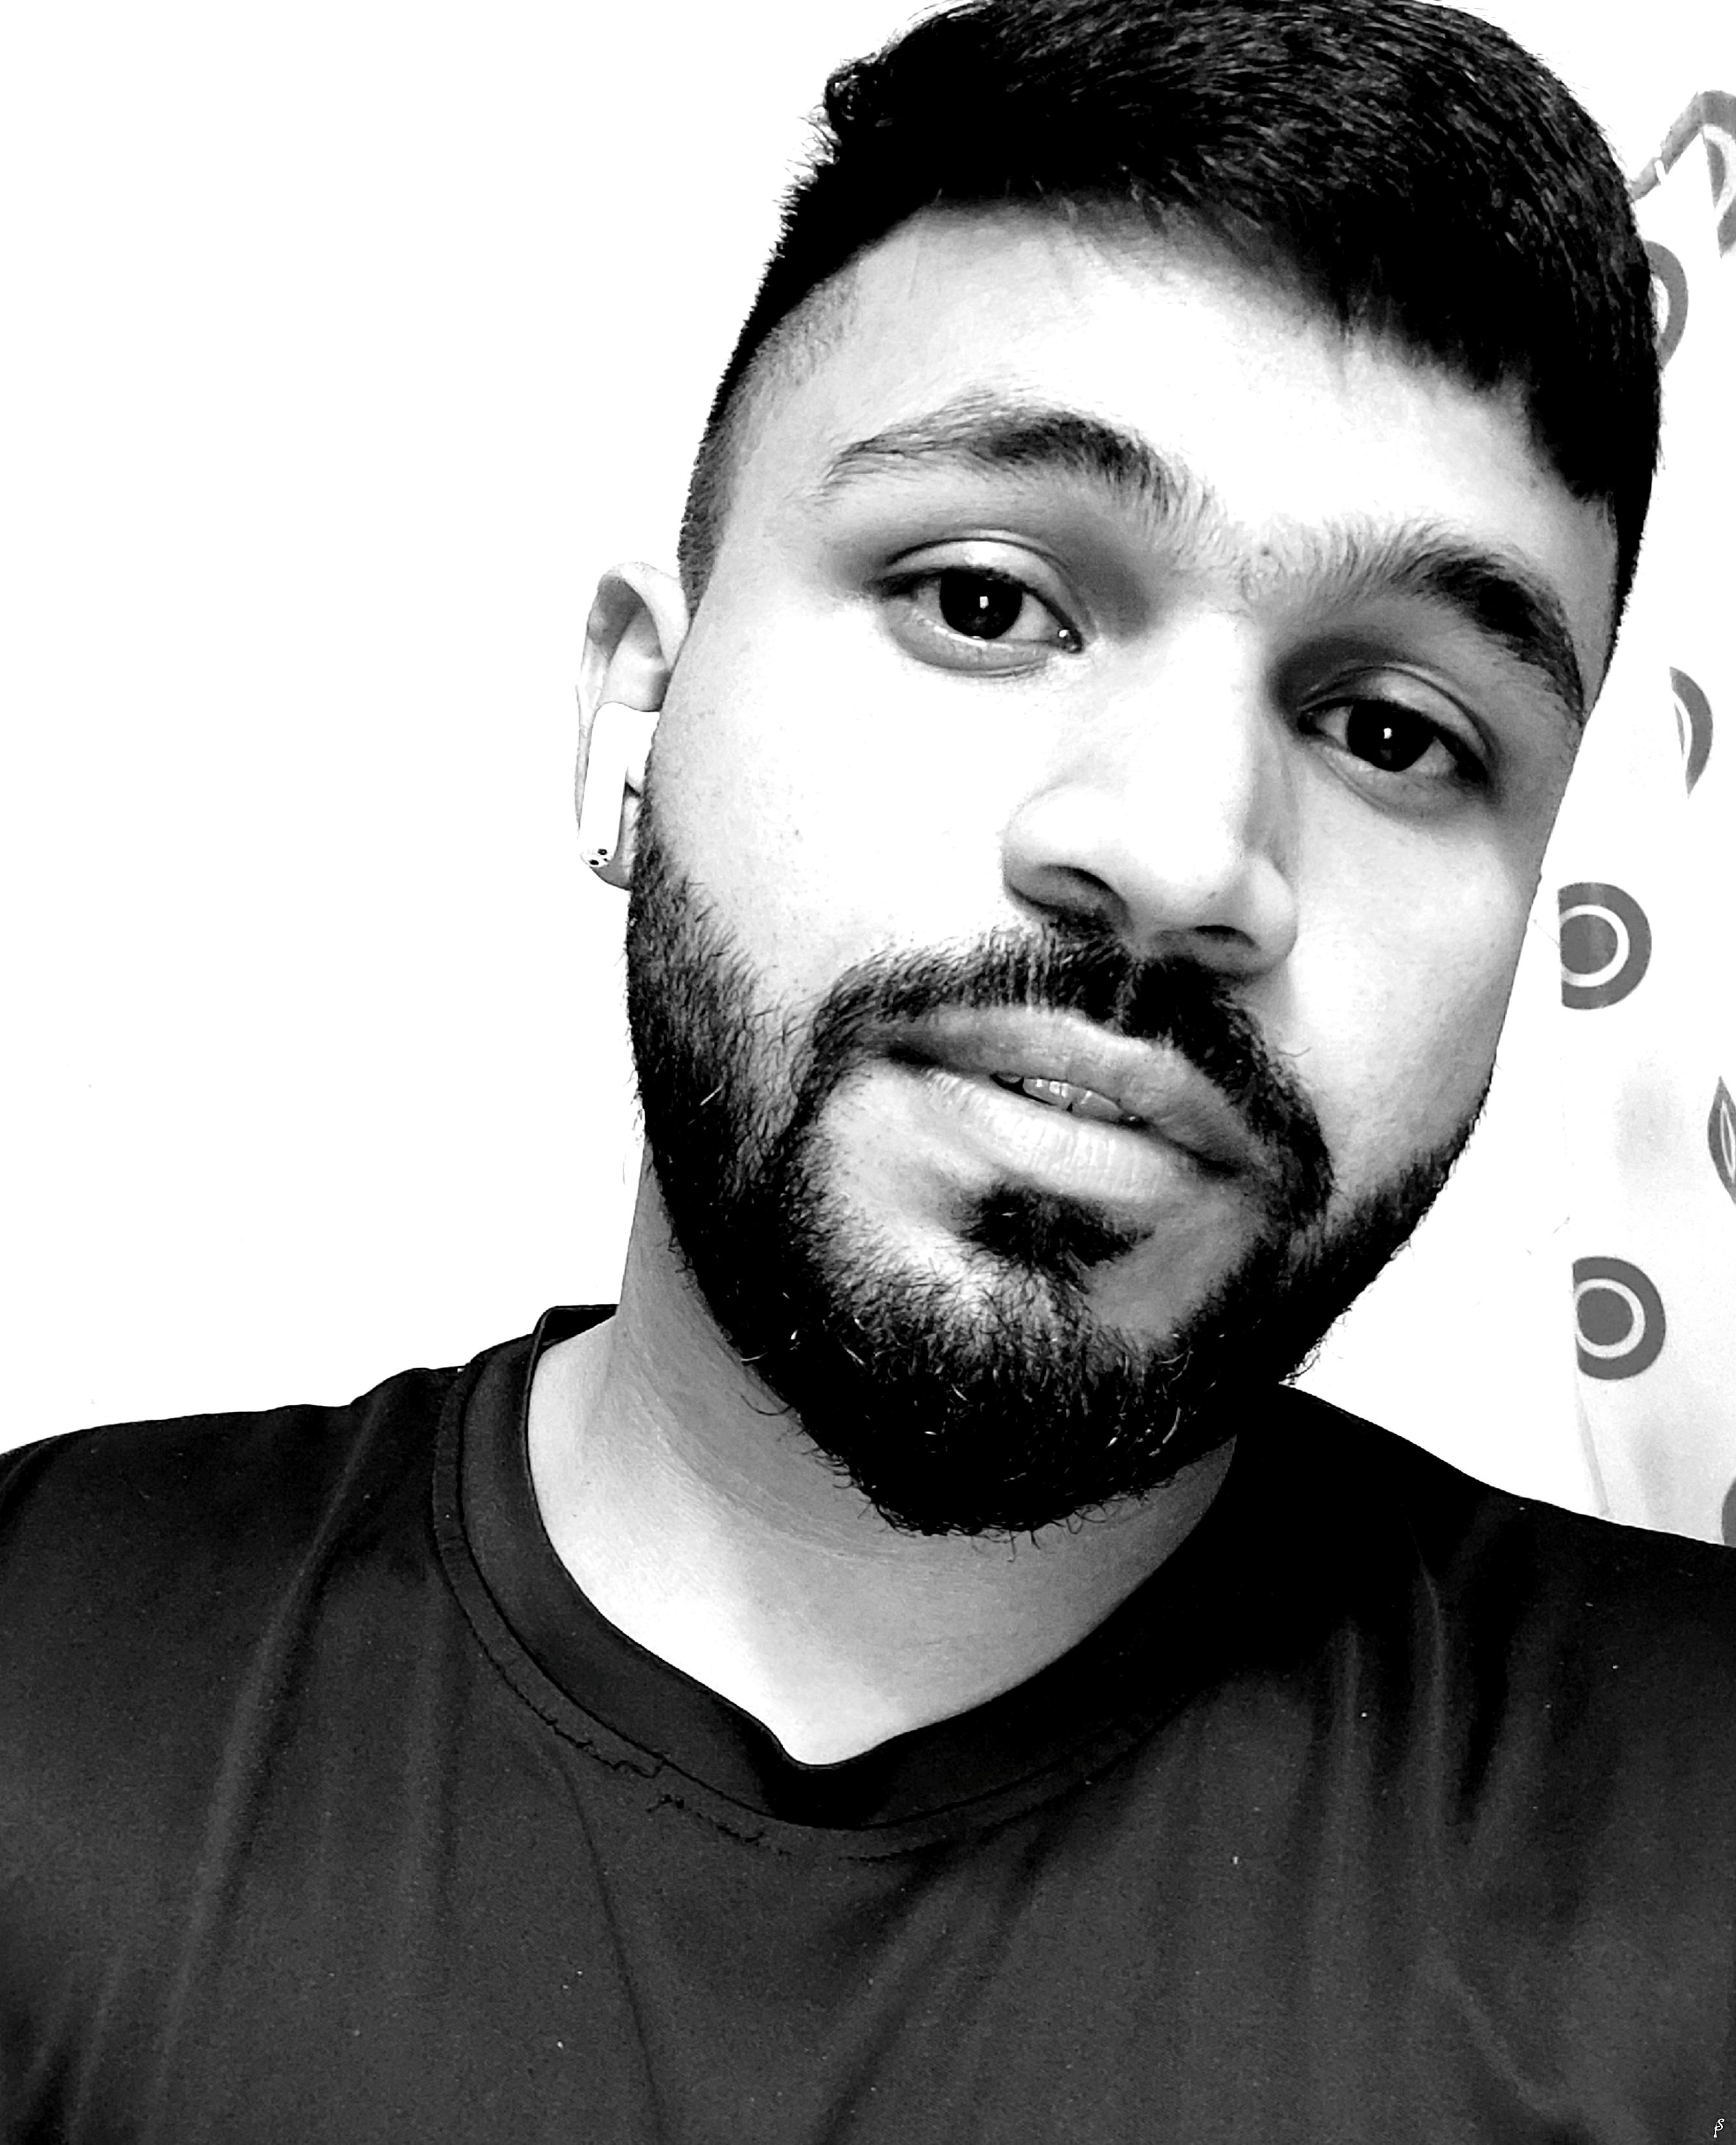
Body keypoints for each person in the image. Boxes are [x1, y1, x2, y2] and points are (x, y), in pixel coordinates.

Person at [3, 0, 1731, 2137]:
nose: (1184, 853)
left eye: (1397, 731)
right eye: (986, 601)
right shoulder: (35, 1685)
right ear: (630, 719)